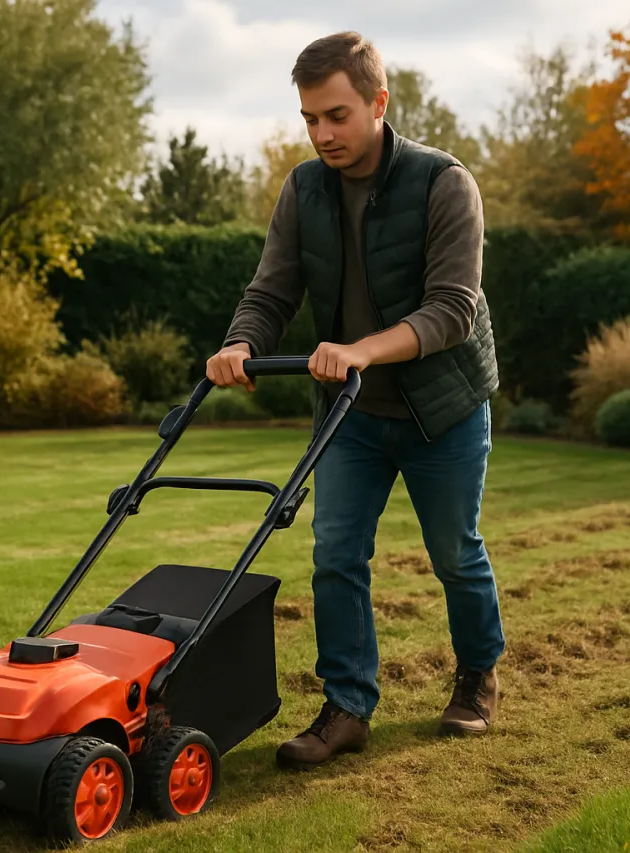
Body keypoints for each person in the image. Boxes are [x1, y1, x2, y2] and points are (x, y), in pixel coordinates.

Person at [205, 31, 504, 770]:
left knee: (454, 553)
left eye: (336, 115)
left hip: (444, 406)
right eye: (310, 118)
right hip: (355, 413)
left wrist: (362, 348)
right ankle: (347, 706)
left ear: (377, 102)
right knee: (336, 552)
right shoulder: (304, 190)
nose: (322, 133)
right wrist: (241, 342)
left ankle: (477, 675)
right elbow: (270, 290)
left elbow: (452, 310)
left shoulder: (444, 183)